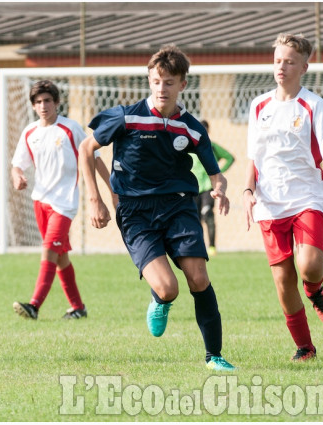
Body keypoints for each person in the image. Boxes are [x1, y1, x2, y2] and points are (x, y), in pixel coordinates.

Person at [79, 45, 236, 371]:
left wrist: (220, 189)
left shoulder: (191, 127)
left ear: (183, 85)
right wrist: (96, 198)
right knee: (168, 287)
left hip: (179, 207)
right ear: (149, 81)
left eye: (168, 82)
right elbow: (86, 149)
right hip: (136, 213)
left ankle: (215, 356)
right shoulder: (126, 117)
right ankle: (160, 299)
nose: (161, 88)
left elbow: (215, 173)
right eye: (155, 81)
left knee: (199, 278)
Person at [244, 33, 323, 362]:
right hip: (270, 204)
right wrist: (247, 191)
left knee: (310, 265)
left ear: (304, 66)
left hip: (308, 198)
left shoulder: (314, 105)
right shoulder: (258, 106)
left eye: (289, 61)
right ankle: (305, 347)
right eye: (277, 60)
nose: (281, 67)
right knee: (283, 278)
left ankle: (315, 290)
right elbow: (253, 159)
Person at [11, 80, 113, 320]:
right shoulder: (30, 132)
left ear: (57, 102)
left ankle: (34, 306)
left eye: (47, 100)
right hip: (40, 203)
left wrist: (112, 190)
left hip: (64, 205)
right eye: (38, 102)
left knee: (48, 251)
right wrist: (17, 176)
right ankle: (78, 308)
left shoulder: (71, 128)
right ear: (33, 106)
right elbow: (17, 164)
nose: (43, 106)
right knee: (60, 258)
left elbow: (95, 158)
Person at [190, 120, 235, 256]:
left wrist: (219, 173)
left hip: (209, 188)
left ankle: (212, 247)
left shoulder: (212, 147)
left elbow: (229, 157)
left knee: (207, 213)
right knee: (195, 218)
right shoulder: (189, 147)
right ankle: (198, 246)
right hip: (193, 187)